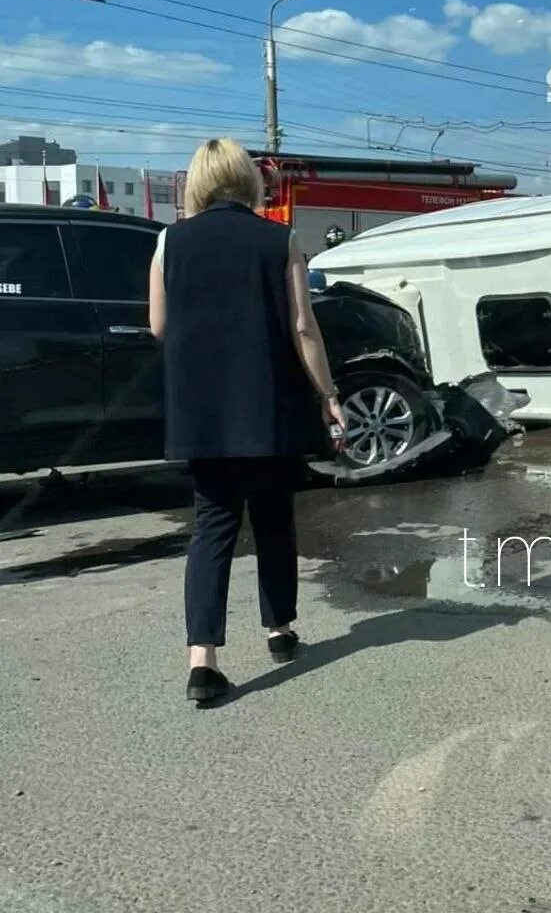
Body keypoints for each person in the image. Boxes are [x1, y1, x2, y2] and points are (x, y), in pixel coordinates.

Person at [149, 138, 345, 705]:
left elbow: (159, 326)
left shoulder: (169, 241)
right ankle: (280, 631)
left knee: (213, 527)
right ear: (247, 181)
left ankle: (202, 662)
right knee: (274, 519)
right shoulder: (279, 239)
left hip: (202, 412)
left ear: (198, 183)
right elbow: (304, 329)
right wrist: (328, 393)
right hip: (268, 407)